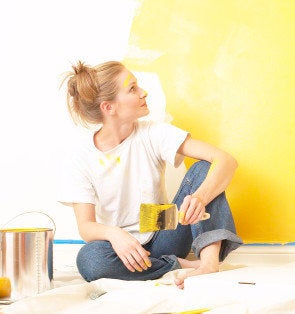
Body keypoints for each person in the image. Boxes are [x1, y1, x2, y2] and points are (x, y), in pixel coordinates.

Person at [58, 60, 242, 289]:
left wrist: (200, 197)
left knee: (204, 169)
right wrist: (115, 235)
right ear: (109, 107)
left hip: (162, 224)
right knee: (89, 259)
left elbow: (226, 161)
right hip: (123, 245)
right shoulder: (81, 157)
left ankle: (208, 264)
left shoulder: (152, 132)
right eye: (132, 88)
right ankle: (177, 265)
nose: (143, 93)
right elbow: (86, 227)